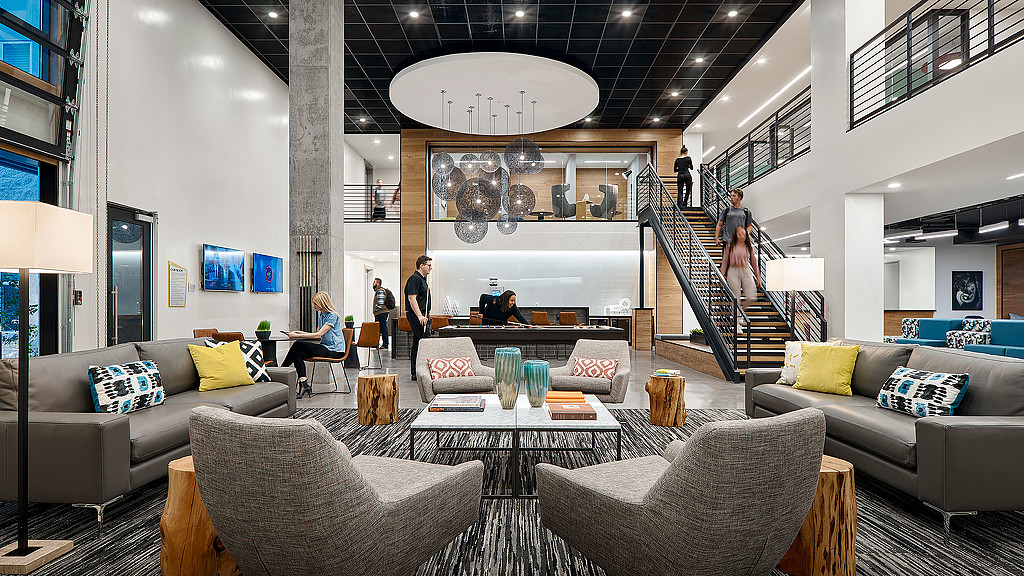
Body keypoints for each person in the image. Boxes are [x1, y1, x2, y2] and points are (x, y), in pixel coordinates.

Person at [282, 291, 346, 398]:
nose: (314, 306)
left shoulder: (332, 316)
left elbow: (318, 335)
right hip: (326, 347)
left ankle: (282, 370)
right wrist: (298, 332)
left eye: (316, 303)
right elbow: (317, 334)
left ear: (323, 303)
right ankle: (304, 383)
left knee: (298, 344)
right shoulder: (321, 315)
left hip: (335, 351)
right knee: (298, 353)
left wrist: (297, 336)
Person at [720, 227, 761, 333]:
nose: (742, 236)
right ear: (736, 235)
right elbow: (724, 261)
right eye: (740, 234)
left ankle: (740, 312)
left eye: (743, 234)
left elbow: (753, 262)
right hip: (733, 271)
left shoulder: (749, 247)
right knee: (736, 299)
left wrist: (758, 277)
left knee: (751, 297)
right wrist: (721, 276)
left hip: (746, 270)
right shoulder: (729, 246)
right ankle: (737, 324)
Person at [405, 255, 432, 380]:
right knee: (426, 342)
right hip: (418, 315)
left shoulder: (422, 279)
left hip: (422, 315)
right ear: (422, 266)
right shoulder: (415, 279)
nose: (430, 268)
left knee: (417, 343)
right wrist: (420, 316)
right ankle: (424, 371)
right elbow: (412, 298)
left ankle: (416, 372)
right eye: (429, 265)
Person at [714, 187, 754, 268]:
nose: (731, 197)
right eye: (731, 196)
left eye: (734, 196)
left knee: (739, 264)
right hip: (727, 241)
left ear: (739, 198)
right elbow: (719, 224)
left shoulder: (746, 212)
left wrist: (746, 234)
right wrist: (716, 237)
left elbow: (749, 226)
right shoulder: (727, 210)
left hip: (740, 242)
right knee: (727, 264)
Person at [372, 277, 393, 350]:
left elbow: (380, 303)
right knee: (378, 328)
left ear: (378, 283)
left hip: (381, 312)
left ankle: (385, 344)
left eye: (374, 282)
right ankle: (376, 343)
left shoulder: (380, 291)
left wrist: (375, 309)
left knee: (383, 328)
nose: (373, 283)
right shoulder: (378, 291)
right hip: (381, 312)